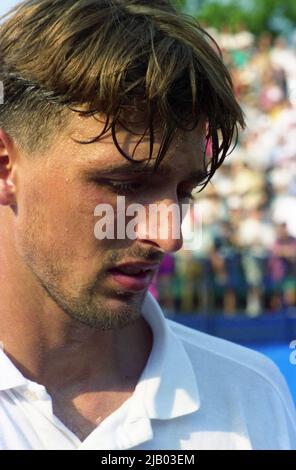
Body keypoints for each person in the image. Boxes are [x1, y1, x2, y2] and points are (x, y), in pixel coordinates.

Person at [0, 0, 295, 450]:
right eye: (125, 183)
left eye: (183, 191)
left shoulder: (251, 396)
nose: (170, 235)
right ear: (6, 167)